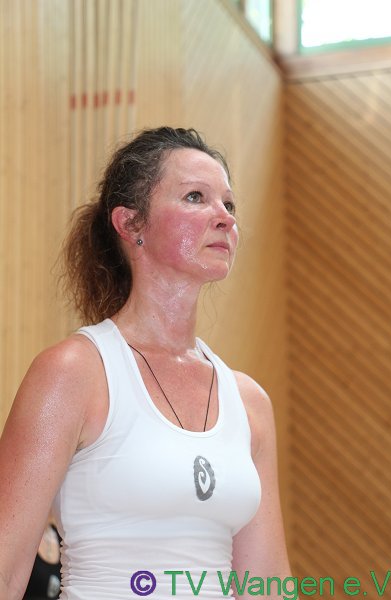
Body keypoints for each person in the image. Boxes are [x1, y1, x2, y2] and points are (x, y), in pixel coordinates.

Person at [0, 127, 291, 599]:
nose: (224, 218)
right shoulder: (75, 372)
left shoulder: (250, 403)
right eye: (196, 197)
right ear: (131, 223)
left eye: (229, 204)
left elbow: (267, 586)